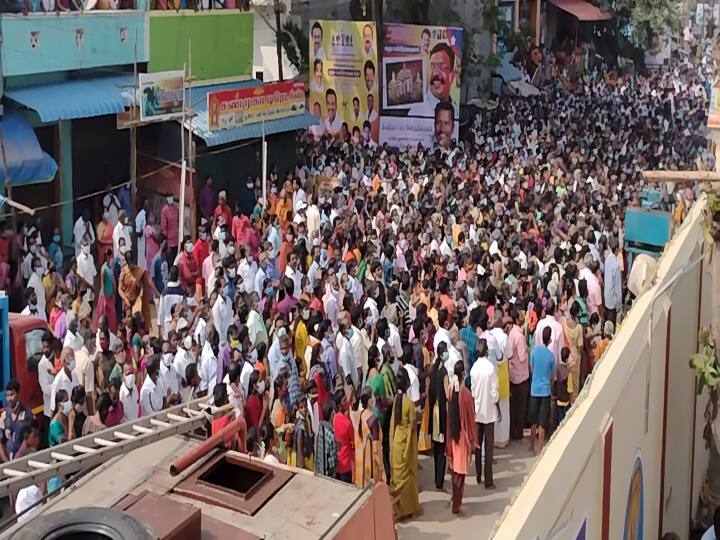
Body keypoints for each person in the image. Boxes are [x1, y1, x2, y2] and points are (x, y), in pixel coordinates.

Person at [446, 361, 477, 515]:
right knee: (461, 474)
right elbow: (471, 418)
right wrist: (473, 439)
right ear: (463, 374)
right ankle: (457, 504)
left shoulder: (451, 389)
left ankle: (456, 500)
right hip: (462, 438)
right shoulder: (466, 394)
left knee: (454, 472)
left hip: (453, 437)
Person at [470, 339, 498, 489]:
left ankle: (478, 475)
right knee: (489, 447)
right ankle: (489, 480)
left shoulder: (474, 369)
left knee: (478, 445)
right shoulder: (490, 368)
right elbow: (494, 394)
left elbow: (473, 391)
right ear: (486, 351)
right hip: (489, 412)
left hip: (478, 411)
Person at [528, 327, 555, 455]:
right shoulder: (551, 356)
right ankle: (540, 448)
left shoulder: (534, 351)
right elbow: (553, 376)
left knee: (533, 420)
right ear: (549, 339)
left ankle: (531, 444)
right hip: (545, 391)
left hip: (534, 390)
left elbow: (531, 368)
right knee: (542, 421)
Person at [428, 341, 449, 490]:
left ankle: (437, 477)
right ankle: (439, 481)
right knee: (442, 449)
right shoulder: (444, 372)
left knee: (436, 448)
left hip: (433, 412)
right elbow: (447, 395)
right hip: (441, 412)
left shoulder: (433, 370)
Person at [0, 380, 31, 461]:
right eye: (7, 395)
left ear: (18, 394)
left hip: (23, 461)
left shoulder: (27, 415)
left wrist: (17, 459)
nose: (9, 398)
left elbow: (28, 440)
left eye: (12, 395)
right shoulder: (4, 415)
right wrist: (6, 462)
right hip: (7, 461)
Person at [314, 399, 336, 478]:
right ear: (332, 414)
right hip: (327, 476)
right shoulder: (331, 436)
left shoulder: (319, 428)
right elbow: (332, 462)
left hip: (318, 472)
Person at [160, 193, 179, 262]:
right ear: (166, 199)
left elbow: (178, 222)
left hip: (176, 240)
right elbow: (163, 227)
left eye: (171, 197)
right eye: (169, 197)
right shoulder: (164, 210)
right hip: (169, 242)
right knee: (169, 261)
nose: (171, 199)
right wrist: (166, 242)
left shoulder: (176, 208)